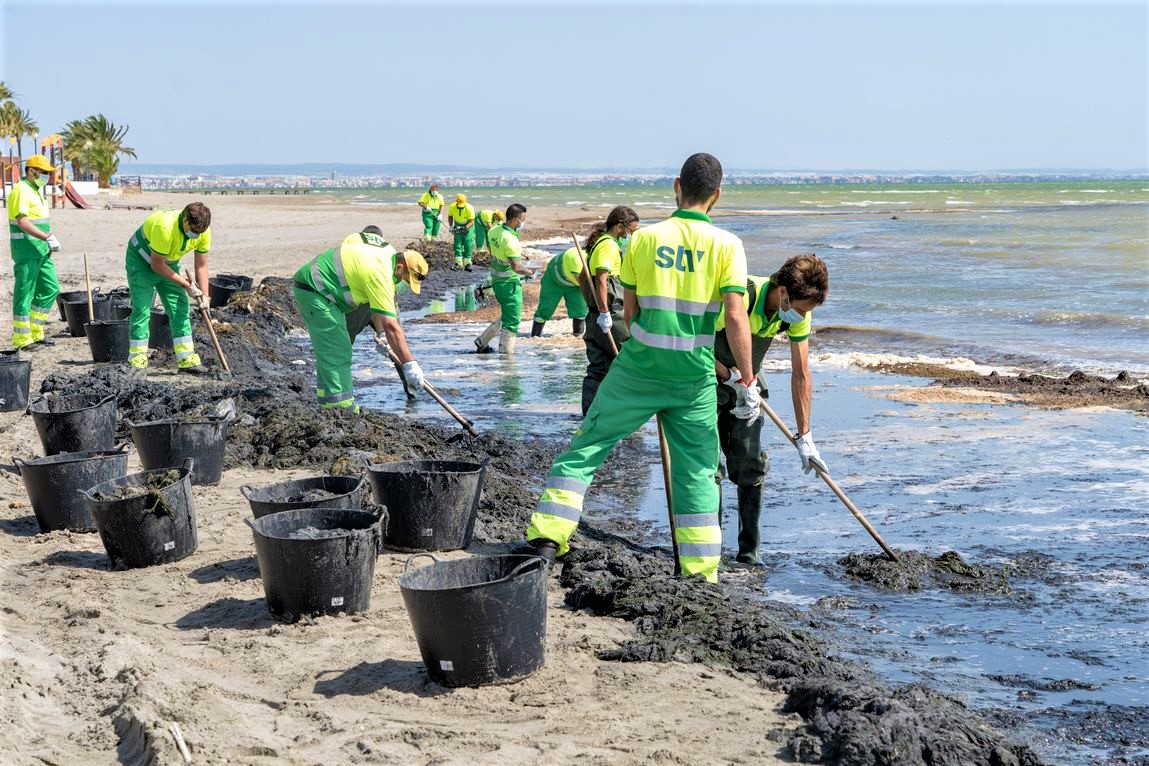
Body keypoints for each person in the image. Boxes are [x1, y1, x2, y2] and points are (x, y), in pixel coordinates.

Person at [517, 153, 760, 583]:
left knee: (588, 445)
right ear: (717, 196)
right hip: (695, 376)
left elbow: (628, 309)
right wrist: (748, 380)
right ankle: (700, 569)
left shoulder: (644, 240)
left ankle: (548, 537)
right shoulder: (728, 245)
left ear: (676, 187)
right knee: (699, 471)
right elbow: (737, 317)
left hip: (638, 368)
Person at [713, 254, 829, 566]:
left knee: (750, 465)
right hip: (706, 379)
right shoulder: (742, 293)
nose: (801, 316)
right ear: (781, 291)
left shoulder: (796, 312)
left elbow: (801, 373)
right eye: (800, 308)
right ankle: (708, 549)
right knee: (708, 468)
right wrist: (730, 375)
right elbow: (694, 341)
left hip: (748, 391)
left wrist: (805, 435)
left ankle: (749, 554)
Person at [293, 226, 429, 412]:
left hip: (327, 293)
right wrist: (410, 365)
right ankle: (340, 408)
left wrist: (382, 335)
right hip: (316, 291)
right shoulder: (380, 274)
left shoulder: (386, 252)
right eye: (406, 279)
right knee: (337, 351)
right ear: (400, 267)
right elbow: (391, 326)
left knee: (335, 351)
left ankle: (328, 406)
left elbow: (378, 309)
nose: (404, 285)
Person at [125, 203, 214, 374]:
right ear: (186, 221)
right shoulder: (165, 226)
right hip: (141, 261)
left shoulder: (203, 231)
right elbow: (156, 265)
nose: (195, 236)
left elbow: (202, 266)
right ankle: (137, 361)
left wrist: (205, 296)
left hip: (169, 263)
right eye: (193, 231)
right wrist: (187, 285)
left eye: (199, 233)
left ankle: (187, 359)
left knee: (180, 308)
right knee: (142, 309)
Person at [579, 205, 640, 415]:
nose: (632, 235)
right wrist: (605, 312)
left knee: (599, 366)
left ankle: (591, 414)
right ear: (621, 227)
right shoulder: (609, 246)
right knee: (630, 363)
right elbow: (602, 280)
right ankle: (626, 413)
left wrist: (594, 309)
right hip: (611, 316)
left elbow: (582, 277)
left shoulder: (598, 244)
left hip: (594, 316)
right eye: (631, 231)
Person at [7, 154, 61, 349]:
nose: (48, 176)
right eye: (45, 172)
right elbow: (22, 222)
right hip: (26, 250)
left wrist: (47, 242)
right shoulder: (21, 190)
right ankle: (22, 339)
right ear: (32, 171)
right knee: (25, 293)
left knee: (50, 288)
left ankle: (36, 332)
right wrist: (46, 237)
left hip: (40, 250)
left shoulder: (36, 190)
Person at [473, 204, 533, 354]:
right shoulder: (511, 240)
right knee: (512, 320)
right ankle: (506, 355)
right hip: (509, 285)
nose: (523, 223)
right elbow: (517, 268)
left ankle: (482, 341)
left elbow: (493, 252)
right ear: (516, 220)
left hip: (497, 280)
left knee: (507, 313)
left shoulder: (494, 231)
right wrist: (529, 272)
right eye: (523, 220)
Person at [530, 245, 588, 338]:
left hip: (574, 286)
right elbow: (584, 284)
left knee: (580, 308)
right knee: (546, 308)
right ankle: (534, 337)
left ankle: (578, 335)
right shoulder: (576, 260)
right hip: (553, 282)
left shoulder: (595, 259)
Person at [448, 194, 476, 271]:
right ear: (456, 202)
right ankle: (459, 263)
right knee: (457, 244)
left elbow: (472, 221)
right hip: (457, 224)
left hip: (468, 226)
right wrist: (451, 226)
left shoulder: (469, 208)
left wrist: (465, 228)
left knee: (468, 243)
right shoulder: (452, 206)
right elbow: (450, 216)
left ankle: (467, 263)